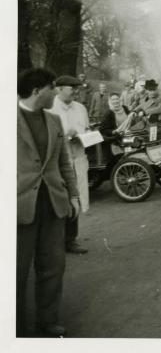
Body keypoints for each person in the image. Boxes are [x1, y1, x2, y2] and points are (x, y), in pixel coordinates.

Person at [17, 68, 80, 337]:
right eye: (52, 88)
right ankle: (14, 330)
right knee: (15, 274)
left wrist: (74, 195)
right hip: (19, 209)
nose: (55, 92)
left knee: (53, 267)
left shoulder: (53, 120)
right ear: (37, 91)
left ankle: (48, 321)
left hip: (53, 204)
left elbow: (64, 162)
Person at [48, 75, 91, 254]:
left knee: (76, 197)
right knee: (57, 199)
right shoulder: (50, 108)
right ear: (59, 89)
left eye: (77, 88)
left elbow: (87, 129)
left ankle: (70, 240)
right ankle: (53, 241)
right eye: (71, 88)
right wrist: (66, 135)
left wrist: (84, 135)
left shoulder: (80, 108)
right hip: (57, 162)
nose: (75, 91)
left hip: (78, 158)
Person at [99, 92, 132, 160]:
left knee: (131, 157)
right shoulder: (109, 113)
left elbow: (130, 120)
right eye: (113, 99)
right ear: (110, 101)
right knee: (122, 159)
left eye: (117, 99)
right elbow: (103, 130)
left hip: (129, 136)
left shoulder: (125, 108)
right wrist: (113, 131)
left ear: (119, 100)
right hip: (117, 140)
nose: (115, 101)